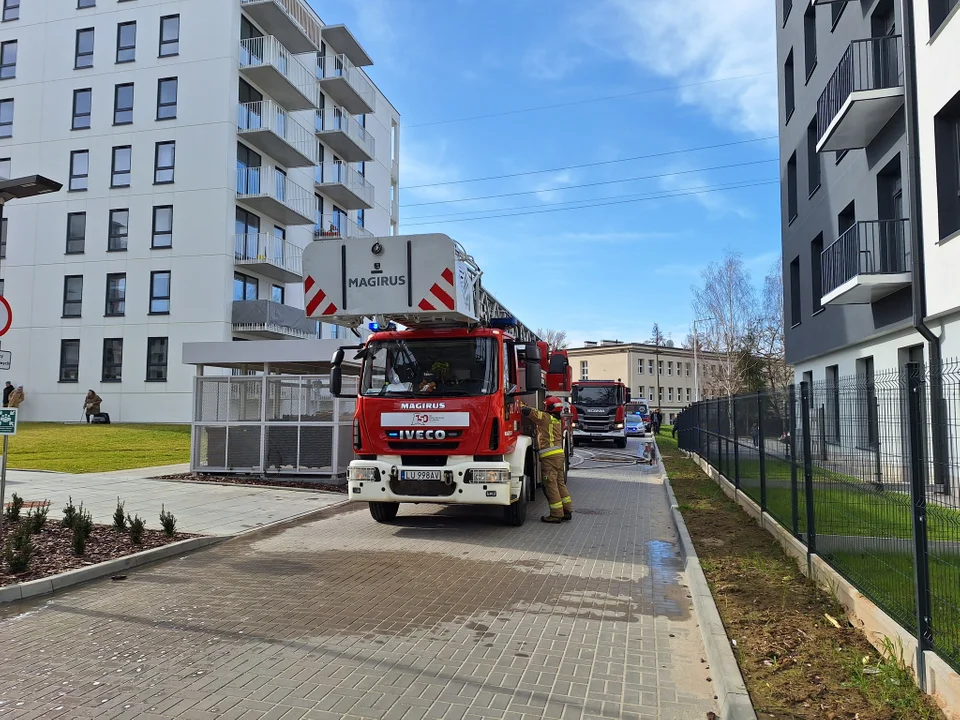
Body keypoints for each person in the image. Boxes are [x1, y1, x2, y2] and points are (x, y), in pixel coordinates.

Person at [521, 396, 572, 523]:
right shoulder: (557, 420)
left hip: (549, 458)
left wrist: (520, 405)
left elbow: (528, 412)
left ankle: (556, 514)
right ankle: (567, 510)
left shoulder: (545, 418)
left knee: (550, 485)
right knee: (560, 483)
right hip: (559, 456)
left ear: (548, 407)